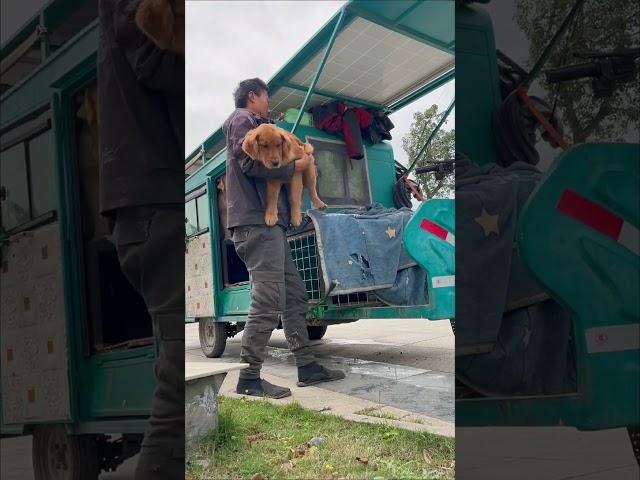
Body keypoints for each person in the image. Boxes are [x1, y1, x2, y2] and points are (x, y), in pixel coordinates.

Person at [98, 1, 184, 478]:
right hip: (154, 198)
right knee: (177, 395)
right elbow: (153, 55)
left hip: (147, 198)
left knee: (173, 383)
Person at [223, 78, 345, 398]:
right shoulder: (242, 120)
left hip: (269, 229)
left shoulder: (256, 123)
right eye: (266, 97)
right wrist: (296, 166)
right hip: (255, 226)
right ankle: (249, 378)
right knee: (267, 300)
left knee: (294, 295)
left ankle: (307, 366)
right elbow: (249, 163)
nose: (268, 103)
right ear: (253, 96)